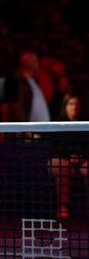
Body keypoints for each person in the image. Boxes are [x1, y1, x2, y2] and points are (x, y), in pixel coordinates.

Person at [46, 91, 88, 220]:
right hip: (60, 159)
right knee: (61, 166)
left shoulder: (85, 124)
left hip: (83, 160)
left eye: (77, 104)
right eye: (71, 103)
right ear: (65, 106)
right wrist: (68, 157)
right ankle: (62, 207)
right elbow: (52, 147)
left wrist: (81, 157)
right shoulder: (57, 124)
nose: (74, 107)